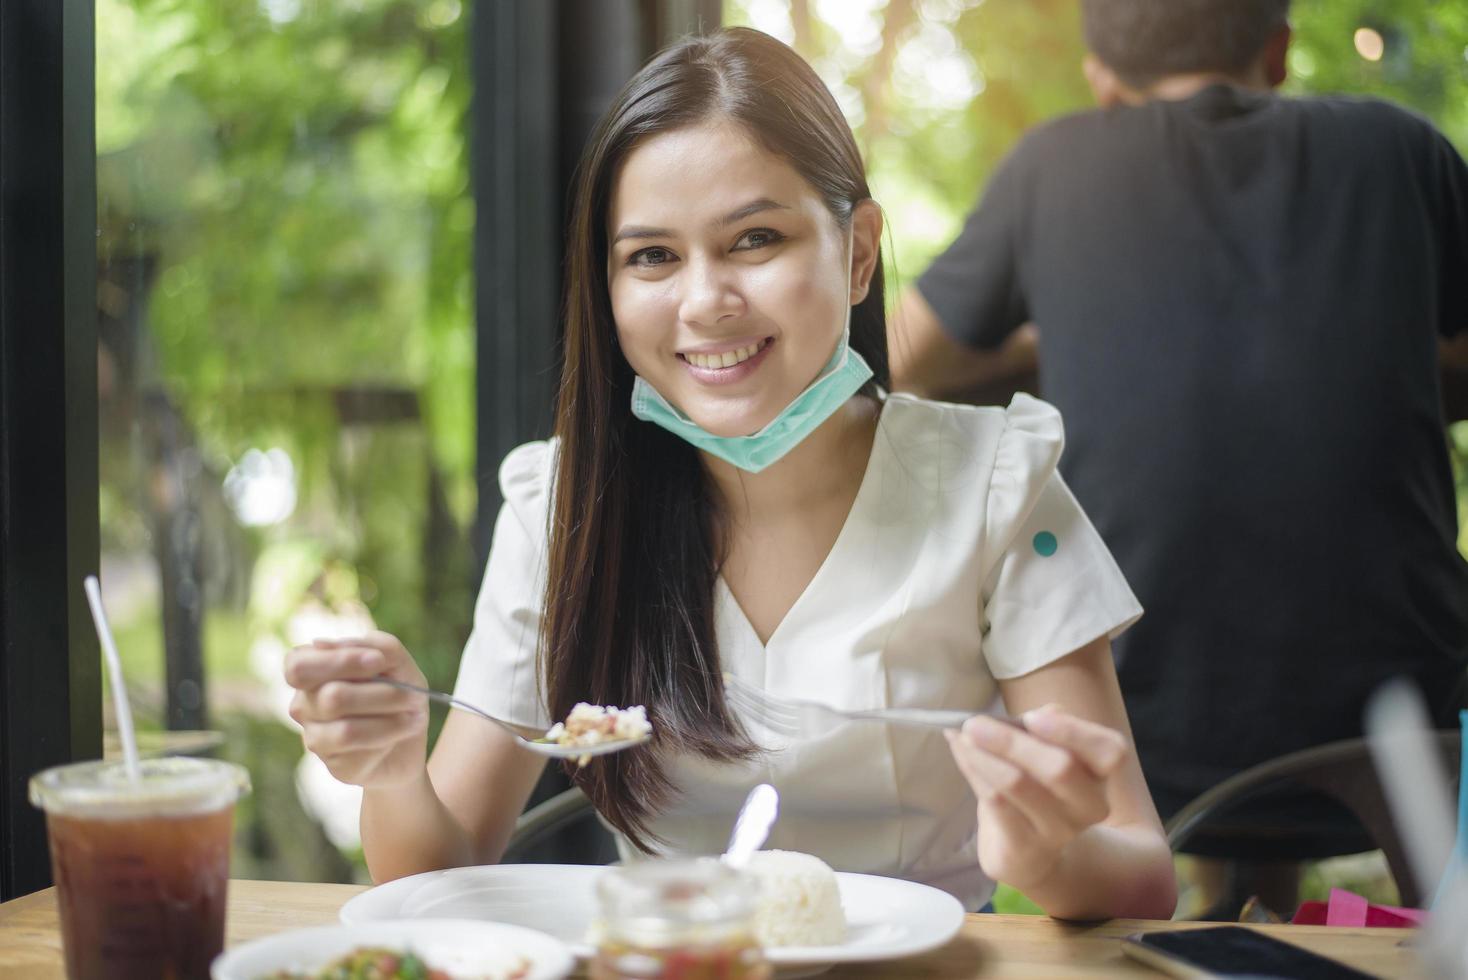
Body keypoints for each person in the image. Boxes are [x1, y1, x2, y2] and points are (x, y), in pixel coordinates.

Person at [283, 26, 1177, 920]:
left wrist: (1049, 855)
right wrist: (392, 774)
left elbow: (1142, 872)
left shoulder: (997, 487)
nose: (706, 301)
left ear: (858, 252)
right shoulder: (561, 507)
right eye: (652, 257)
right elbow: (435, 876)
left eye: (754, 240)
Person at [890, 0, 1468, 911]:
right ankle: (1265, 904)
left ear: (1103, 80)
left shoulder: (1058, 161)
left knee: (1120, 634)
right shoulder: (1403, 148)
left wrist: (1053, 344)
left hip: (1142, 727)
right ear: (1278, 53)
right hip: (1400, 718)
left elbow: (897, 361)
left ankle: (1232, 907)